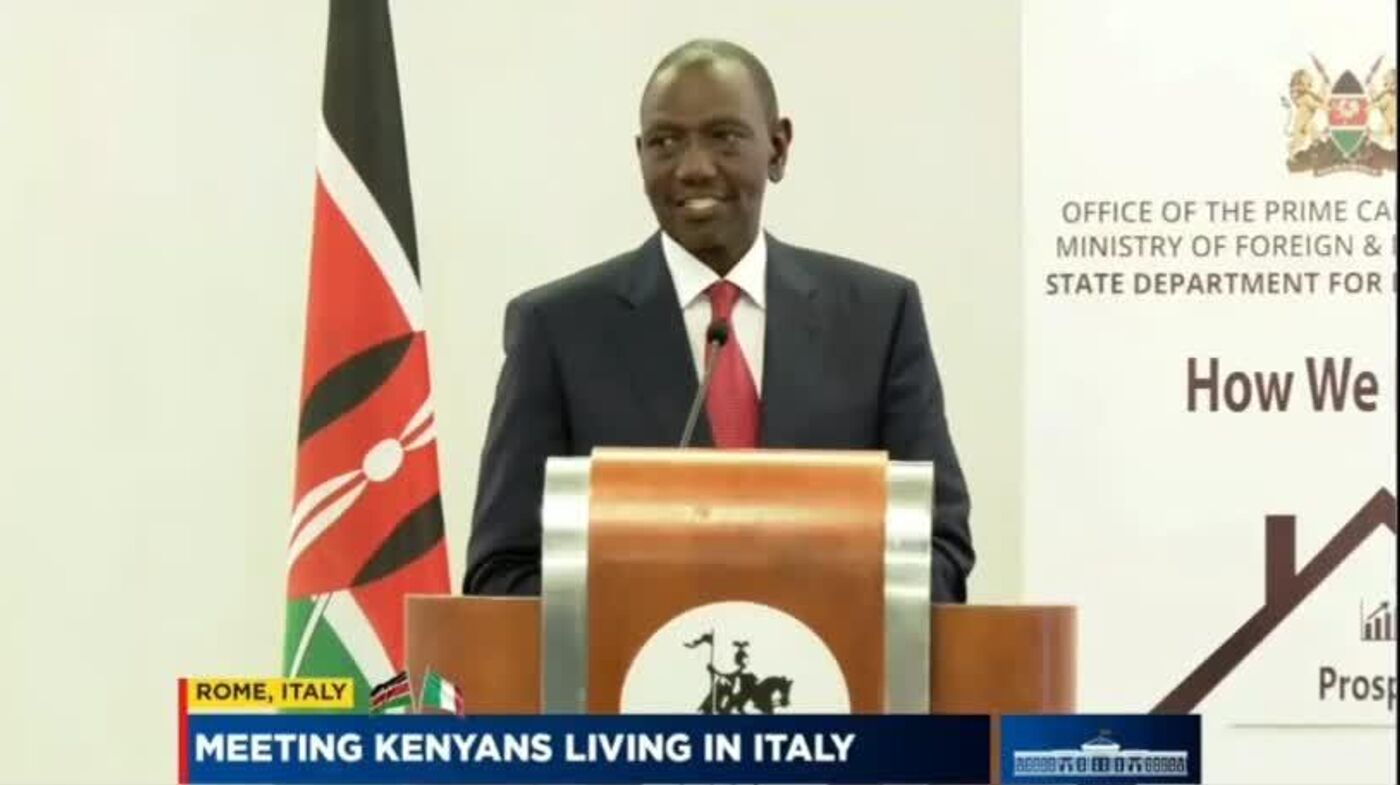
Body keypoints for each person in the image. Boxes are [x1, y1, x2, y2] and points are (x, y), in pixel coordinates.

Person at [463, 39, 973, 602]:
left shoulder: (877, 318)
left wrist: (810, 617)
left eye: (724, 137)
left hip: (835, 658)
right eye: (665, 142)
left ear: (777, 148)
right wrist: (643, 620)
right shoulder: (557, 331)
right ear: (640, 157)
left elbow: (939, 551)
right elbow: (501, 573)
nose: (694, 168)